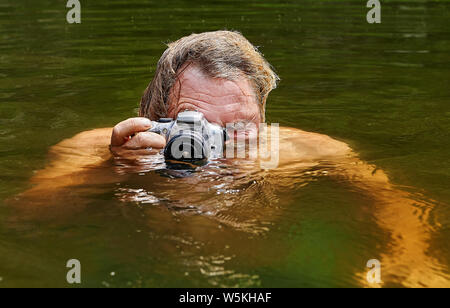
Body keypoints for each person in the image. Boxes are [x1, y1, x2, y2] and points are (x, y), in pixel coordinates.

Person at [15, 31, 448, 287]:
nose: (218, 145)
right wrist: (109, 169)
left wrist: (408, 255)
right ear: (154, 119)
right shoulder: (99, 149)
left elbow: (392, 199)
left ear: (263, 118)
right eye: (196, 125)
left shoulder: (301, 150)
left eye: (239, 127)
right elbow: (29, 217)